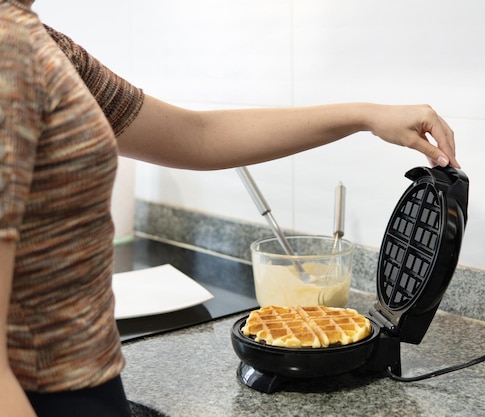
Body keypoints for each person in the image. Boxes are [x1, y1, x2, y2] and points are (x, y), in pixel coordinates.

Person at [0, 1, 459, 416]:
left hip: (82, 376)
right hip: (40, 393)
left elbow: (194, 135)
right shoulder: (10, 47)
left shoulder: (41, 44)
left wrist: (364, 116)